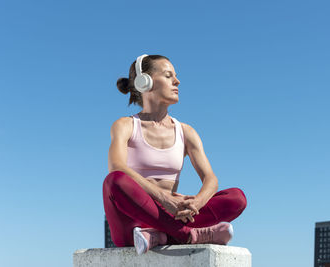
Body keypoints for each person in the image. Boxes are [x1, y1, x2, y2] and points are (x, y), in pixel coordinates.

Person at [102, 54, 247, 255]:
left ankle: (160, 235)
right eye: (169, 75)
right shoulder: (125, 125)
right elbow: (117, 166)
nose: (177, 81)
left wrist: (196, 203)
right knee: (115, 181)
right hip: (132, 225)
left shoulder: (186, 131)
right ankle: (189, 235)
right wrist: (163, 198)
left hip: (173, 215)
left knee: (236, 198)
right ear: (145, 82)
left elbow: (210, 179)